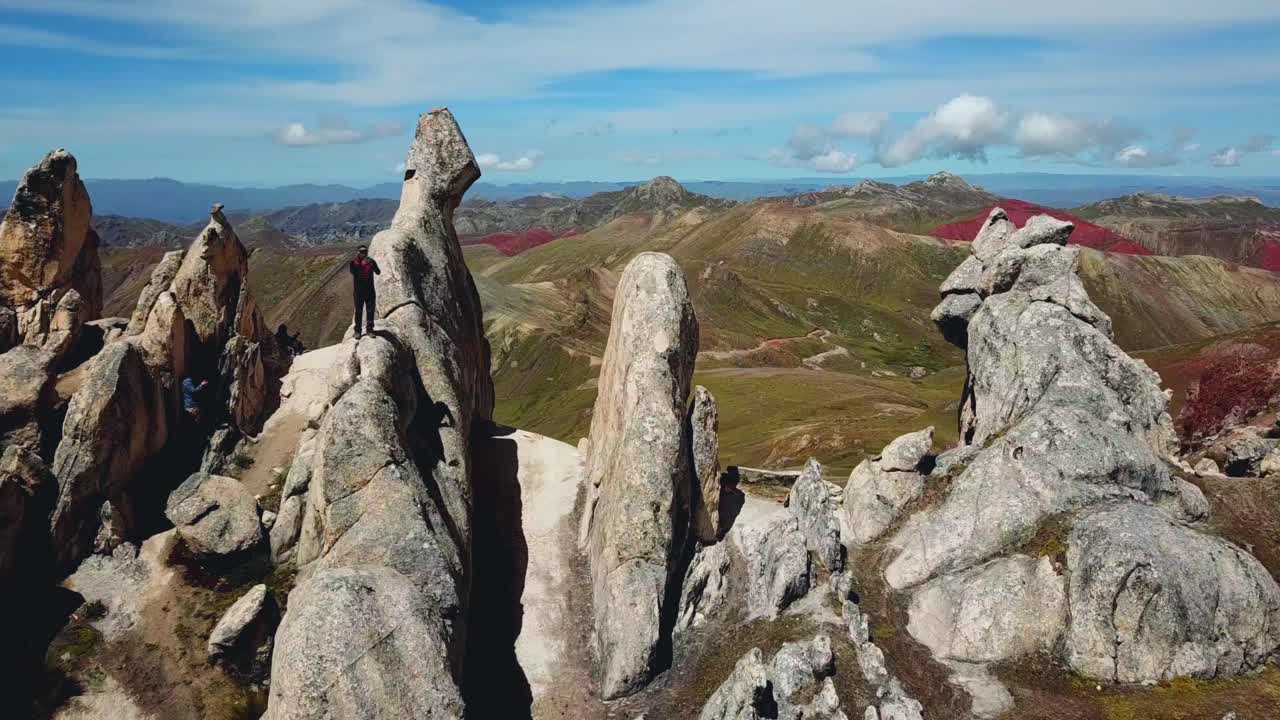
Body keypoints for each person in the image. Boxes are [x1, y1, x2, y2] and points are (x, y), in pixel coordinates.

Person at [350, 245, 381, 337]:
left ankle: (370, 330)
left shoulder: (371, 261)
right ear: (358, 252)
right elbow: (354, 272)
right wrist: (362, 265)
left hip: (369, 290)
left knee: (370, 311)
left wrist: (372, 264)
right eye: (361, 251)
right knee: (358, 311)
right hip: (358, 291)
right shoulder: (353, 263)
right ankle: (357, 331)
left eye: (365, 251)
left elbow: (378, 272)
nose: (364, 253)